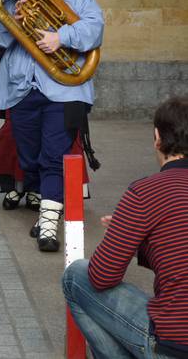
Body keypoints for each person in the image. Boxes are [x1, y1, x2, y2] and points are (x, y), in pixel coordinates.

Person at [0, 0, 104, 252]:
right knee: (29, 154)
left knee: (55, 155)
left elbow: (95, 30)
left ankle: (49, 223)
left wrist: (61, 37)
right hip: (22, 87)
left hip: (64, 90)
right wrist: (17, 21)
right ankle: (42, 198)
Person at [62, 96, 188, 359]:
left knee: (77, 275)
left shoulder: (147, 191)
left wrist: (128, 238)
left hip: (174, 344)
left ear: (157, 137)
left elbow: (102, 276)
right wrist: (147, 243)